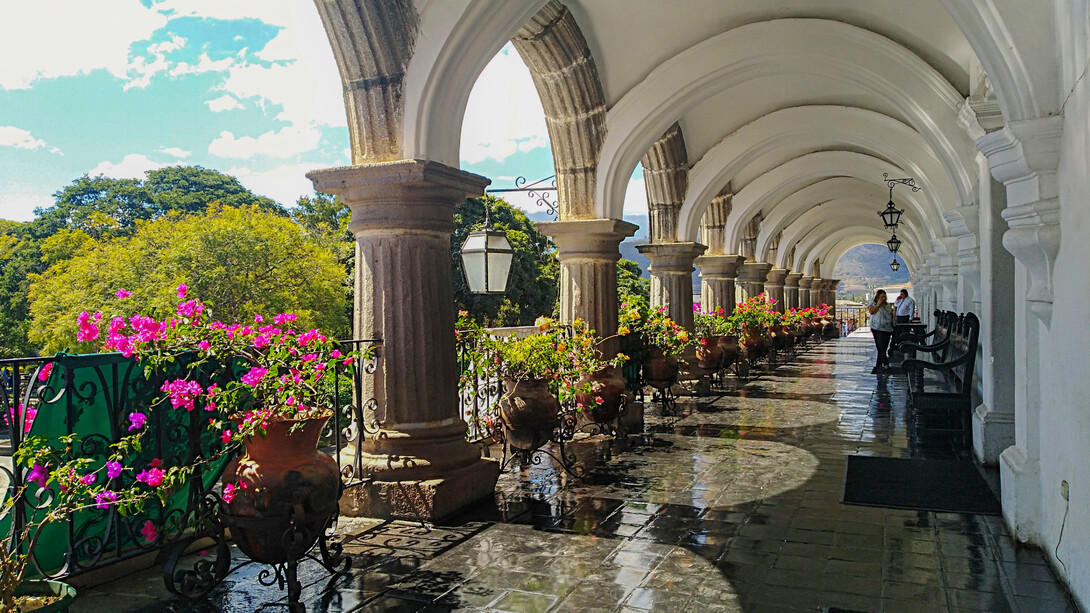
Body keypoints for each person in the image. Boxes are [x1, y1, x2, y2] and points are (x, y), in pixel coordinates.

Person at [867, 289, 895, 373]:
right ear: (878, 297)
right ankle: (886, 363)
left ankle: (878, 364)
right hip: (877, 328)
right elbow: (871, 312)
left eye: (884, 297)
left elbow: (891, 314)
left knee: (884, 346)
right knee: (880, 346)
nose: (883, 298)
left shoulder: (888, 305)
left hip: (887, 328)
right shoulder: (873, 304)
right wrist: (878, 305)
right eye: (881, 297)